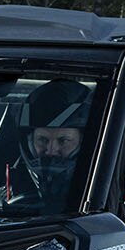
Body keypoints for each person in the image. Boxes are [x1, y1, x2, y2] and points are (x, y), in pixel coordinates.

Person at [7, 79, 92, 207]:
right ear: (29, 142)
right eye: (42, 140)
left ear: (82, 142)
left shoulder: (103, 190)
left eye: (63, 141)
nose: (51, 150)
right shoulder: (10, 192)